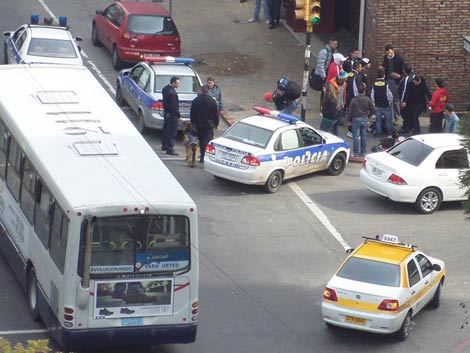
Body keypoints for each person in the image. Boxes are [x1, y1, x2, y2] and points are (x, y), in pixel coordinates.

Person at [190, 85, 219, 163]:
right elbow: (216, 114)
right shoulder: (212, 101)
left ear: (201, 91)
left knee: (201, 140)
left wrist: (193, 123)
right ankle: (204, 156)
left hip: (199, 124)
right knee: (207, 141)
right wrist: (216, 123)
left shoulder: (196, 100)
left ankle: (202, 155)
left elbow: (192, 113)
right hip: (209, 125)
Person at [347, 84, 375, 157]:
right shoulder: (368, 99)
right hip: (364, 118)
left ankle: (356, 152)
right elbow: (373, 109)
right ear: (364, 91)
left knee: (356, 136)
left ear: (358, 91)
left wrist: (349, 120)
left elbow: (350, 111)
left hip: (355, 118)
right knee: (363, 135)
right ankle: (363, 152)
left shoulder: (354, 100)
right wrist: (368, 115)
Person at [382, 45, 406, 121]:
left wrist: (399, 76)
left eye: (389, 52)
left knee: (395, 98)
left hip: (396, 81)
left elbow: (404, 71)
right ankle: (391, 115)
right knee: (389, 98)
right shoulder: (385, 58)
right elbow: (384, 67)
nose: (388, 54)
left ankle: (397, 115)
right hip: (388, 80)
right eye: (387, 52)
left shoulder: (399, 59)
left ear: (392, 50)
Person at [370, 67, 393, 137]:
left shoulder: (374, 84)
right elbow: (389, 95)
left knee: (378, 120)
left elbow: (372, 95)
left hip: (377, 105)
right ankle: (389, 134)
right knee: (388, 120)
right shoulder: (386, 83)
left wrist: (374, 103)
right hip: (386, 105)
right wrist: (389, 102)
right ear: (384, 75)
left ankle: (378, 134)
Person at [161, 76, 181, 155]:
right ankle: (170, 148)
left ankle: (164, 145)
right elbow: (174, 107)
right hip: (172, 115)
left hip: (166, 113)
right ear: (173, 83)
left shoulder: (165, 89)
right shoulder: (172, 93)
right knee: (171, 132)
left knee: (165, 130)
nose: (179, 85)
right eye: (178, 83)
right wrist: (179, 116)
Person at [326, 70, 348, 135]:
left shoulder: (344, 84)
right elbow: (329, 96)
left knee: (337, 122)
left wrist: (344, 102)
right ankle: (332, 135)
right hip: (333, 107)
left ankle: (335, 134)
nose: (347, 79)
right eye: (346, 78)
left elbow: (344, 94)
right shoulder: (332, 84)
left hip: (340, 106)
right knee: (333, 123)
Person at [398, 64, 414, 133]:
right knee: (410, 114)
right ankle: (410, 126)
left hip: (406, 100)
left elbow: (404, 90)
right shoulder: (413, 76)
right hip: (412, 100)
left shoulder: (407, 79)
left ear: (404, 71)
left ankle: (406, 128)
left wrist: (403, 101)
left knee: (405, 114)